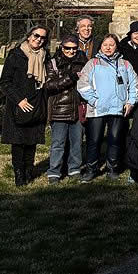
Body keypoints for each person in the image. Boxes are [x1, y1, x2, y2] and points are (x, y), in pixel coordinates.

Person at [77, 33, 138, 181]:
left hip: (118, 109)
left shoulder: (125, 64)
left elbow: (134, 85)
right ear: (100, 46)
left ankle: (112, 168)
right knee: (94, 140)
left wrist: (130, 102)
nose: (108, 47)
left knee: (115, 139)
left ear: (116, 46)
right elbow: (83, 84)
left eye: (111, 45)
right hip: (97, 109)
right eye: (105, 45)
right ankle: (91, 168)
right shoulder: (93, 63)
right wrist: (94, 100)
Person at [1, 24, 50, 187]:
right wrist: (19, 100)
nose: (39, 40)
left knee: (32, 141)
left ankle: (29, 171)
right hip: (19, 104)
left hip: (36, 102)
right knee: (18, 142)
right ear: (29, 36)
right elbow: (5, 82)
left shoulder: (45, 55)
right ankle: (19, 174)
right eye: (36, 36)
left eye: (42, 37)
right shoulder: (16, 55)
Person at [44, 34, 85, 183]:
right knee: (58, 143)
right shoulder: (53, 63)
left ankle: (74, 169)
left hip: (78, 107)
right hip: (59, 108)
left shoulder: (83, 61)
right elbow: (49, 85)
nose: (71, 51)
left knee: (77, 143)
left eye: (74, 48)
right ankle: (54, 171)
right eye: (67, 48)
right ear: (62, 47)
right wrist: (70, 78)